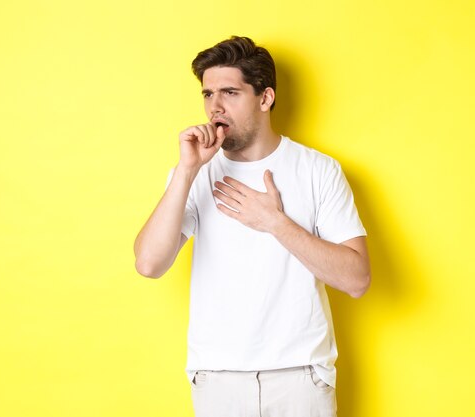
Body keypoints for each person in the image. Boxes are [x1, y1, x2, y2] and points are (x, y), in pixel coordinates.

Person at [133, 36, 370, 417]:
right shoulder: (193, 174)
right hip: (218, 377)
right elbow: (149, 264)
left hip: (301, 376)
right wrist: (186, 172)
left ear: (265, 98)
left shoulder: (317, 170)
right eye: (208, 94)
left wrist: (276, 223)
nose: (215, 107)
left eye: (230, 92)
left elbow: (356, 279)